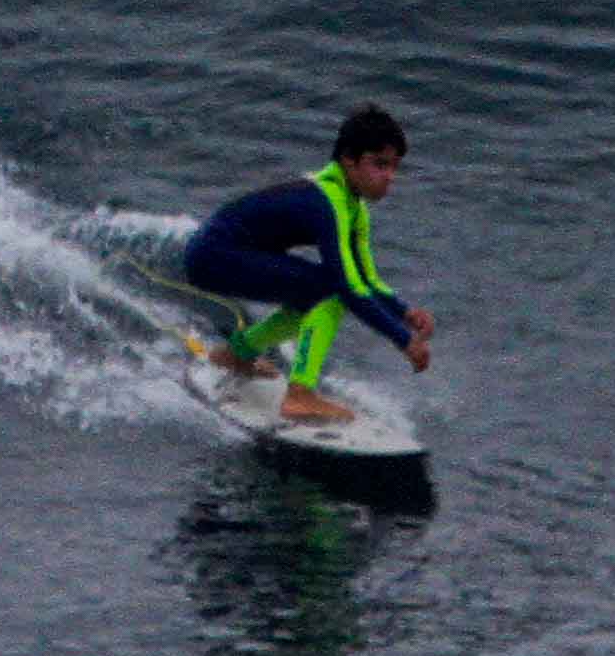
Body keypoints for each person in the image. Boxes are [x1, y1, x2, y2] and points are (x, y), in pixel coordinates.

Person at [182, 107, 430, 426]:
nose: (389, 176)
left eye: (394, 167)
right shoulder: (327, 203)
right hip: (212, 254)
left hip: (227, 252)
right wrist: (403, 340)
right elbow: (348, 287)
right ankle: (299, 395)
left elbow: (364, 279)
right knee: (329, 293)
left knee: (319, 290)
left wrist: (404, 313)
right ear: (349, 160)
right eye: (379, 164)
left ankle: (235, 355)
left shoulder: (353, 207)